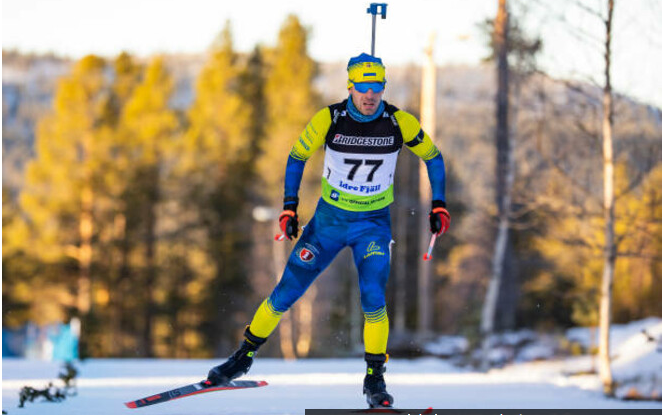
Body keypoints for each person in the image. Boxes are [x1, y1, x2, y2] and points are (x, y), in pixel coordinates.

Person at [204, 53, 450, 408]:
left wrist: (439, 203)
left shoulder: (399, 122)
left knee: (373, 298)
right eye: (362, 87)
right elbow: (296, 156)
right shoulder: (330, 118)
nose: (370, 95)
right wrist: (290, 206)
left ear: (384, 88)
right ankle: (242, 357)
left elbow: (434, 156)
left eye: (377, 87)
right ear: (350, 87)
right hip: (329, 225)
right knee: (286, 292)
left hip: (372, 226)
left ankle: (375, 380)